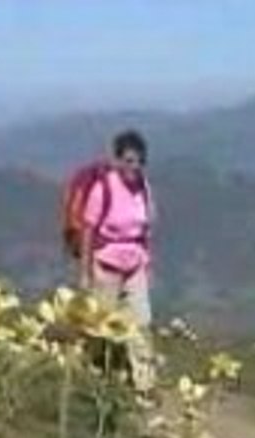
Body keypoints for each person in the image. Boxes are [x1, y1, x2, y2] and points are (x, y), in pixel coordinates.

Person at [79, 129, 157, 399]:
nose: (134, 167)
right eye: (129, 161)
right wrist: (86, 272)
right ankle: (94, 375)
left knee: (142, 323)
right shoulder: (104, 189)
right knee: (101, 326)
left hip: (135, 265)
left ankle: (144, 384)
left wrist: (148, 265)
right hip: (106, 267)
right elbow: (88, 230)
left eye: (139, 162)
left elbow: (146, 230)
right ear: (118, 160)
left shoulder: (144, 188)